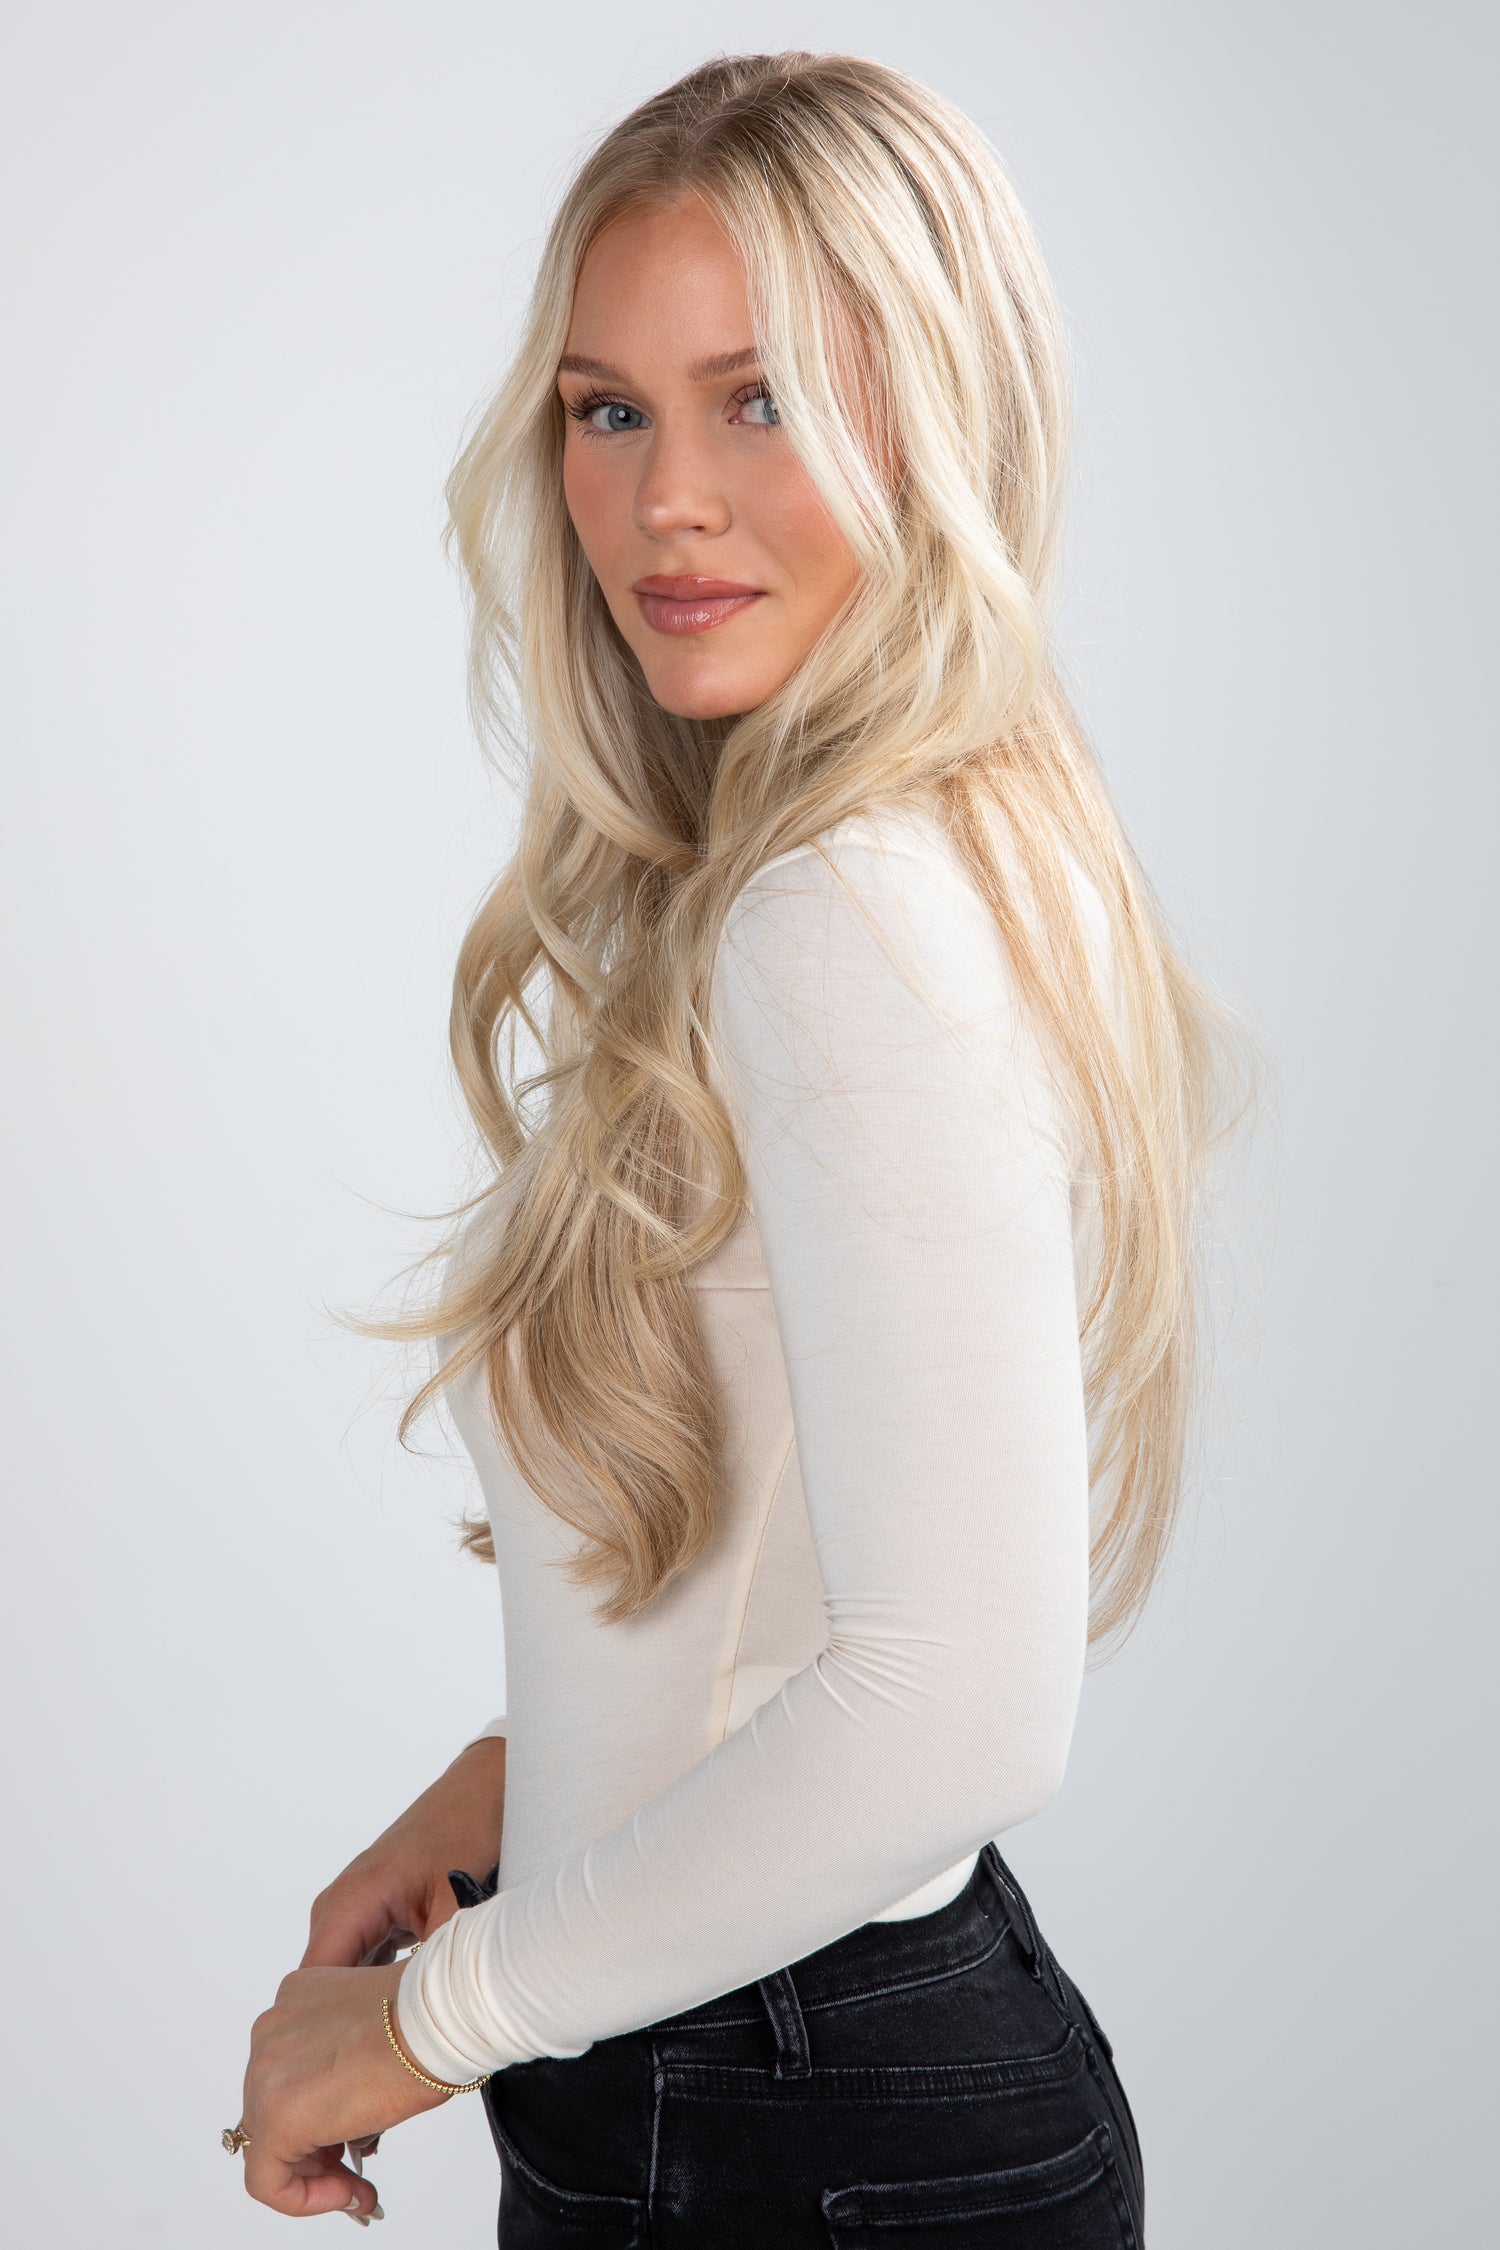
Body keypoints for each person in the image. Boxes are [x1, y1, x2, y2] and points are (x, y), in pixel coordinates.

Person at [232, 48, 1260, 2246]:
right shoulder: (896, 853)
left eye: (761, 396)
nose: (664, 501)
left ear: (940, 416)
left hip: (788, 2120)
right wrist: (528, 1790)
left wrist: (431, 2021)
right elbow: (798, 1576)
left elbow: (965, 1704)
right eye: (611, 410)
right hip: (797, 2079)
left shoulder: (842, 912)